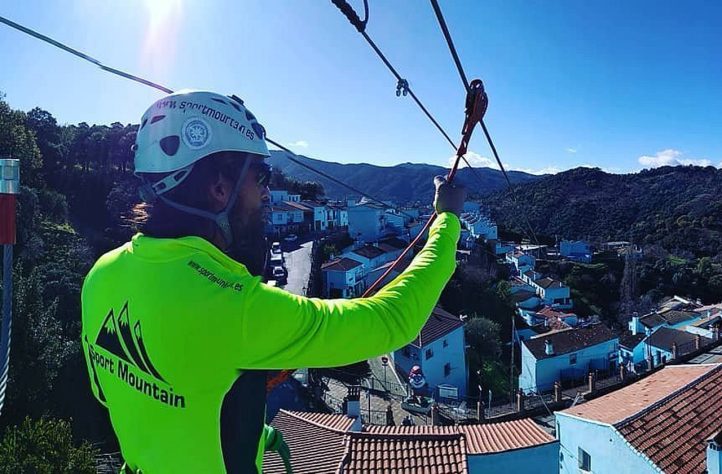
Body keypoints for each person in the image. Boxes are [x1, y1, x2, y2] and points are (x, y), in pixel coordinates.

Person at [81, 90, 466, 473]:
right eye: (260, 177)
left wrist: (244, 428)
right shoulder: (236, 307)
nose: (267, 193)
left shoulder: (102, 274)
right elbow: (391, 320)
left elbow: (118, 395)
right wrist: (446, 221)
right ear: (219, 188)